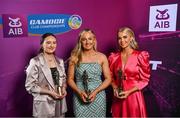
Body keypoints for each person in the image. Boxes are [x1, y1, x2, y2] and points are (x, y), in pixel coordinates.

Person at [67, 29, 112, 117]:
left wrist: (96, 92)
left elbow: (108, 79)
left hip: (98, 96)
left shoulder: (102, 57)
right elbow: (70, 79)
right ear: (80, 41)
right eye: (84, 39)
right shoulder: (74, 57)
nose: (87, 42)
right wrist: (79, 92)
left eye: (90, 39)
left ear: (94, 40)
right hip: (80, 95)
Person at [108, 27, 150, 117]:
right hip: (118, 97)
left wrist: (129, 92)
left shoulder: (140, 56)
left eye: (125, 37)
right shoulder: (113, 57)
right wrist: (115, 88)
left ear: (131, 38)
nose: (122, 40)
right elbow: (110, 76)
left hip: (134, 97)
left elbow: (145, 80)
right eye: (119, 38)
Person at [25, 33, 67, 118]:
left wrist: (64, 89)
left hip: (60, 103)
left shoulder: (60, 61)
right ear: (42, 44)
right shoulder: (35, 61)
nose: (52, 45)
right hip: (44, 105)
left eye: (54, 43)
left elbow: (63, 80)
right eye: (48, 43)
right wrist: (50, 92)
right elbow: (30, 86)